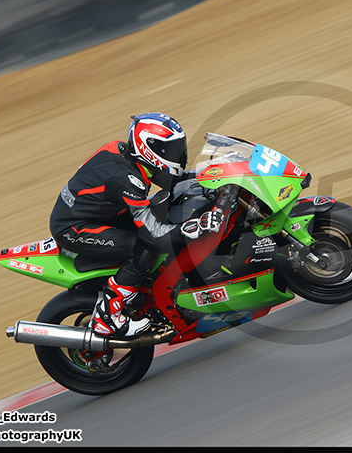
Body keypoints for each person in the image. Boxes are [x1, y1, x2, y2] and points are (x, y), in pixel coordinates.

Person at [49, 112, 224, 338]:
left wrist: (214, 174)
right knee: (142, 248)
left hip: (104, 213)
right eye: (169, 150)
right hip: (74, 227)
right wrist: (194, 227)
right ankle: (108, 316)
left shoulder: (131, 158)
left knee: (165, 208)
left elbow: (170, 181)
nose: (177, 155)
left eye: (178, 148)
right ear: (149, 149)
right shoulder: (126, 179)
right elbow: (154, 235)